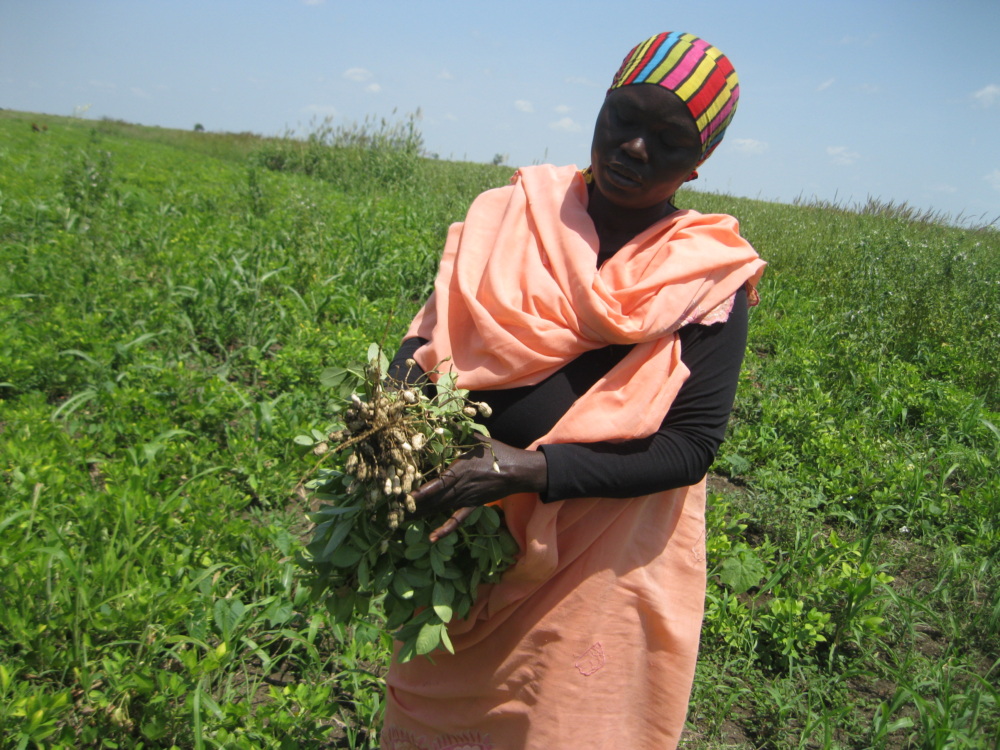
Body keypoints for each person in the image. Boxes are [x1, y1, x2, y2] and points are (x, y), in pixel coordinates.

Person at [381, 31, 766, 750]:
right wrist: (392, 419)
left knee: (551, 722)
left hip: (590, 569)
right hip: (464, 540)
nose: (635, 148)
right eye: (625, 118)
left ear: (701, 160)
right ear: (602, 106)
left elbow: (689, 448)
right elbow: (427, 341)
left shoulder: (707, 277)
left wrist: (530, 469)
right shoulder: (513, 215)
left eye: (670, 139)